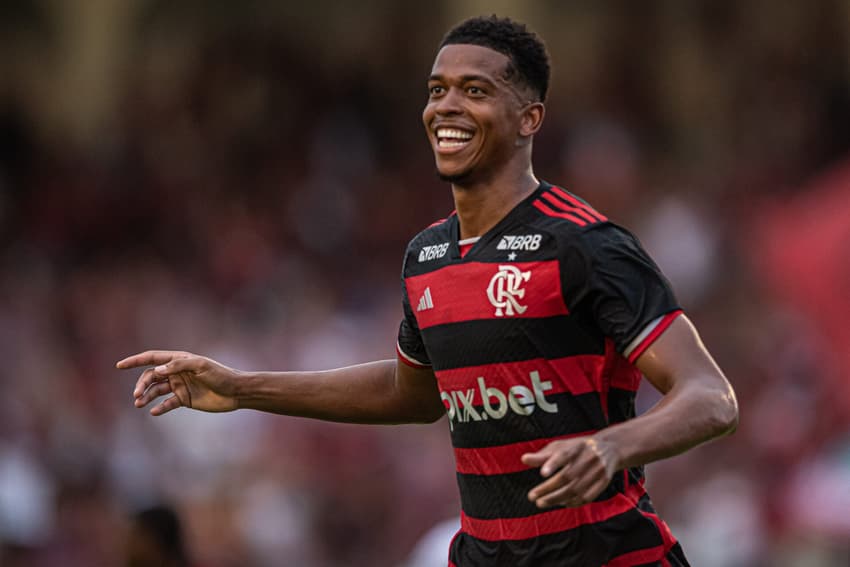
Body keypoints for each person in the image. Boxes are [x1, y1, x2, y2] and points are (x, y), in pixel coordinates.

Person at [117, 15, 738, 567]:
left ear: (529, 117)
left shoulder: (584, 246)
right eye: (437, 90)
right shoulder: (427, 256)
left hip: (609, 553)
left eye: (475, 91)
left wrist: (611, 445)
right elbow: (412, 392)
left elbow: (711, 396)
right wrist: (242, 387)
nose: (446, 106)